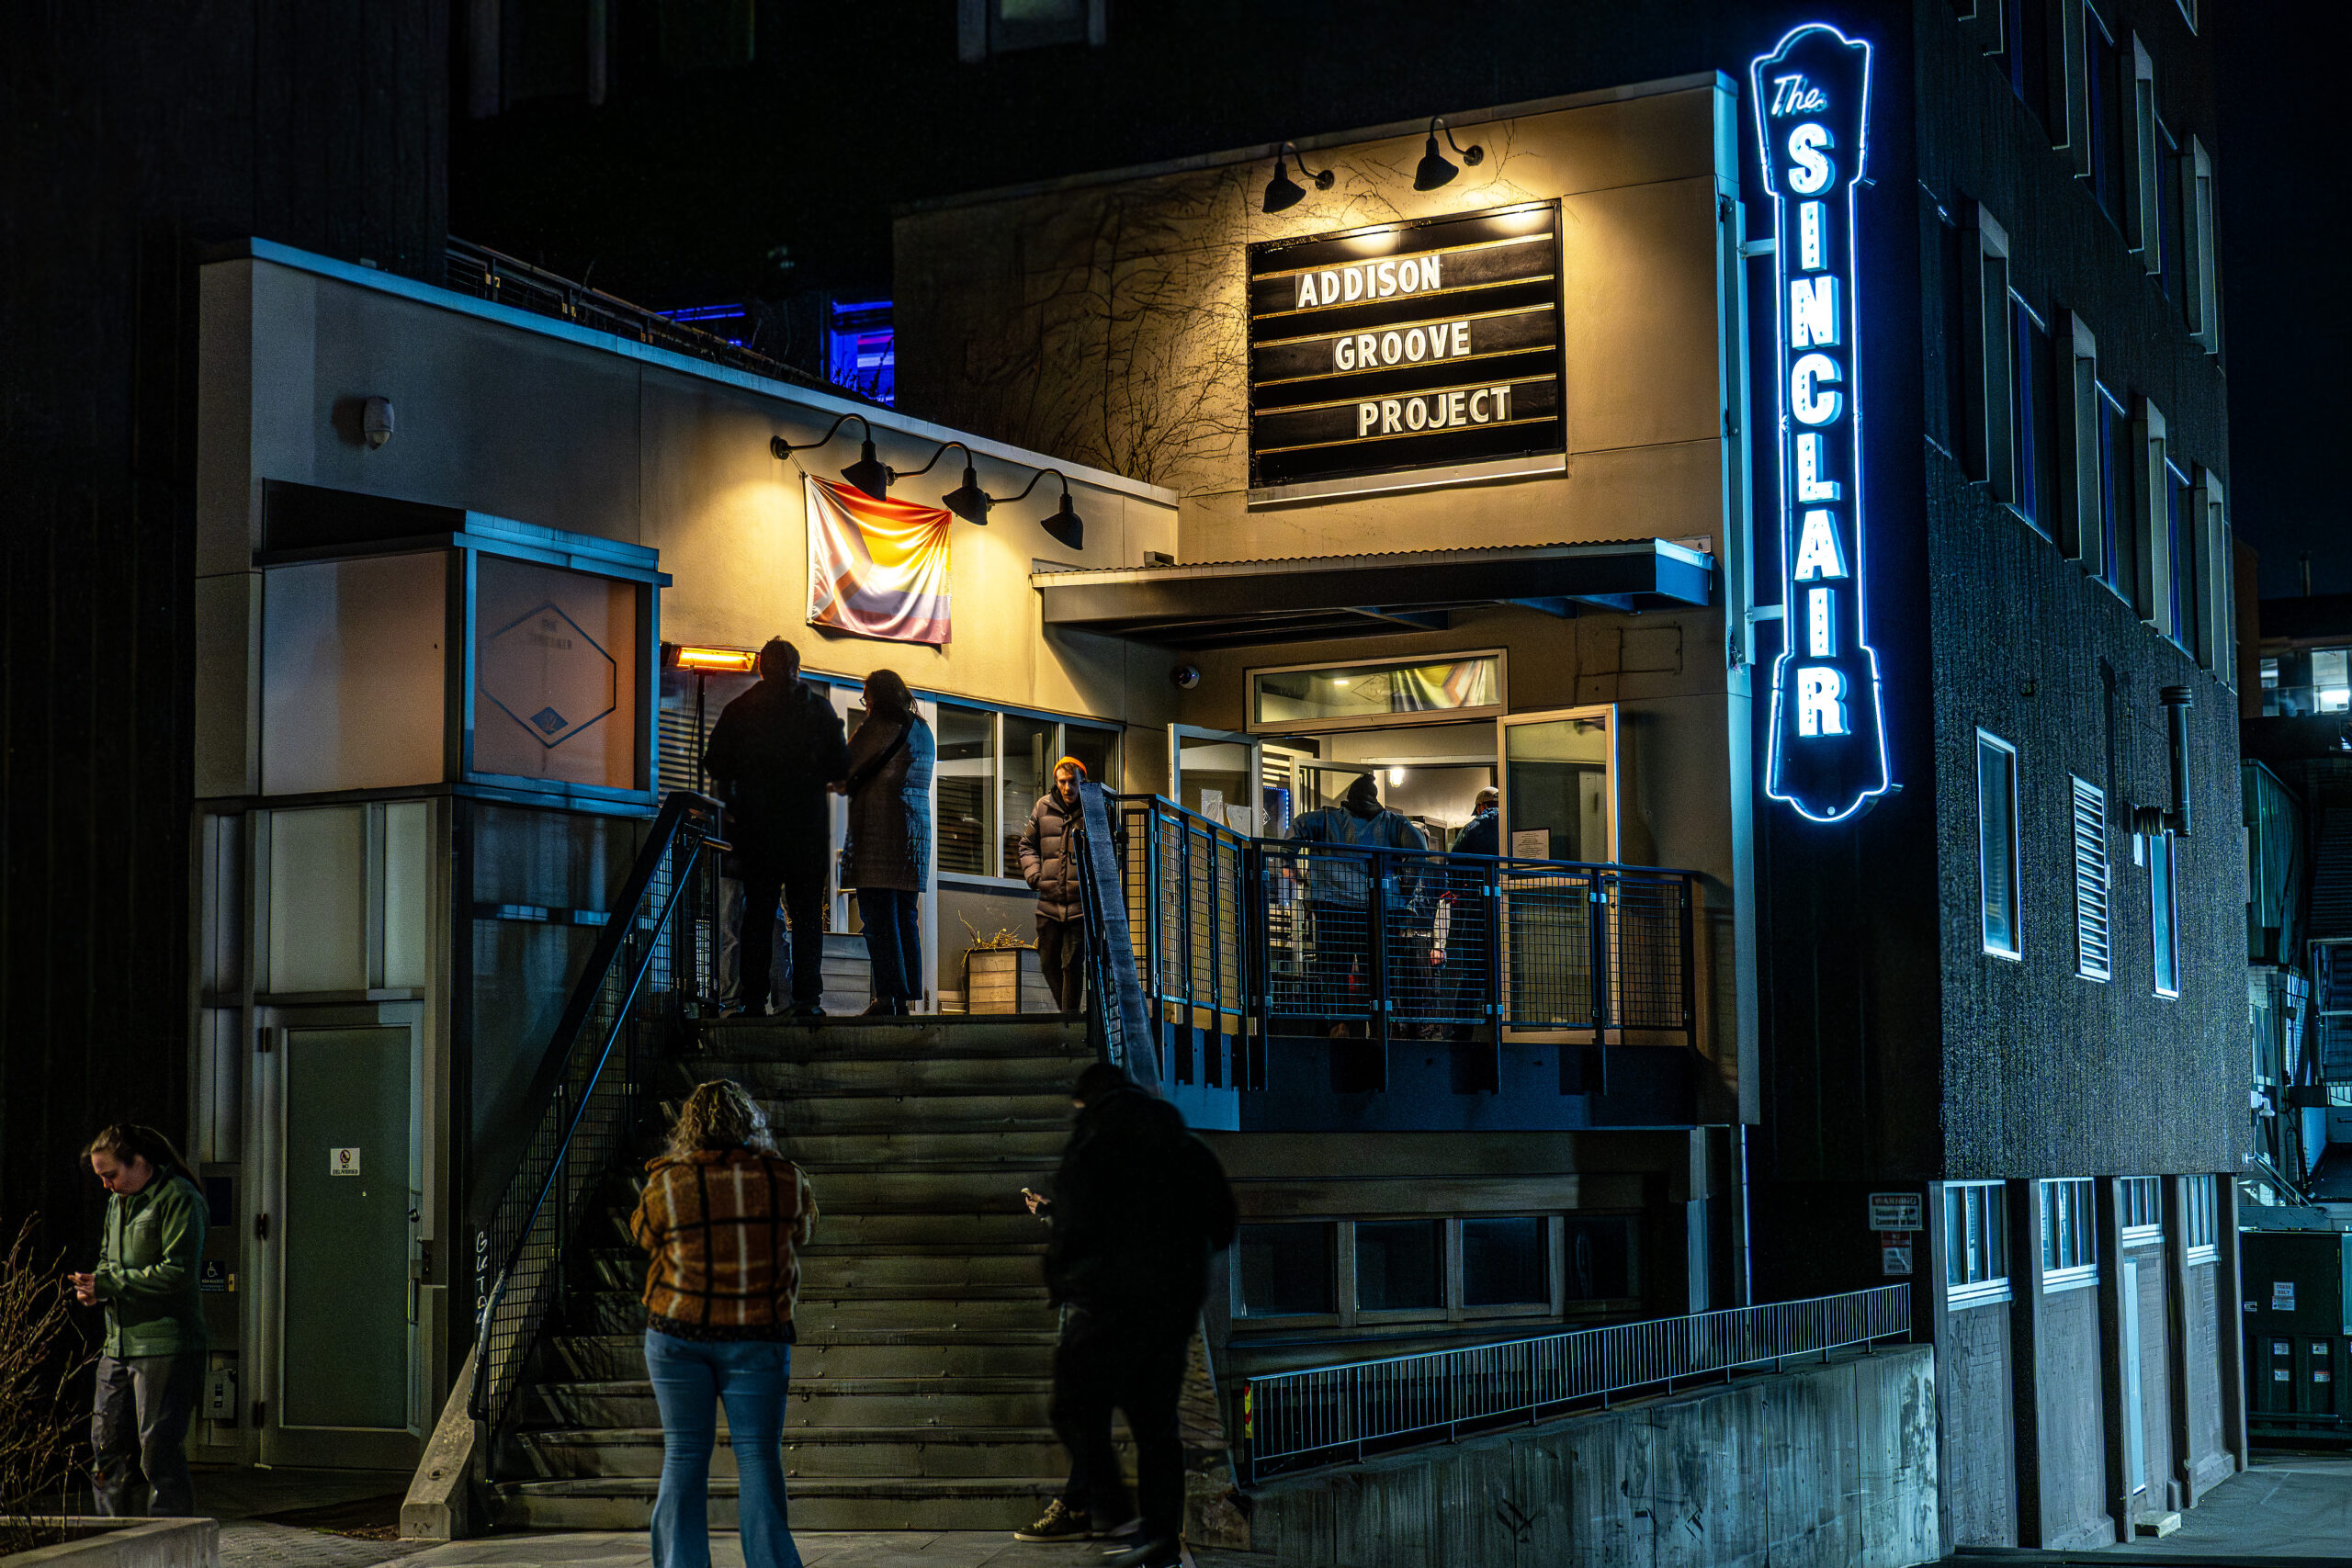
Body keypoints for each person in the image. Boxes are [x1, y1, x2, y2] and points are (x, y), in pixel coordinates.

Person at [1014, 1061, 1237, 1566]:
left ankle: (1110, 1512)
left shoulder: (1090, 1148)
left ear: (1089, 1102)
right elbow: (1223, 1224)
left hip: (1108, 1310)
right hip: (1170, 1313)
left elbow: (1073, 1231)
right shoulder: (1184, 1145)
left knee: (1074, 1406)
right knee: (1158, 1429)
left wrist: (1065, 1283)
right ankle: (1160, 1541)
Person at [629, 1080, 817, 1568]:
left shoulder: (668, 1182)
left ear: (689, 1127)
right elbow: (803, 1229)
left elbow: (644, 1233)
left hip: (677, 1331)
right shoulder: (784, 1178)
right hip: (757, 1331)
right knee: (758, 1457)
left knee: (685, 1454)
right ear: (749, 1122)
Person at [701, 637, 851, 1018]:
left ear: (761, 669)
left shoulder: (740, 709)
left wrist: (738, 796)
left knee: (758, 915)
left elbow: (715, 762)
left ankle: (753, 1000)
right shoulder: (818, 710)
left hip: (757, 832)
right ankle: (806, 999)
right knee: (806, 917)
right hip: (806, 832)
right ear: (796, 668)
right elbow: (839, 769)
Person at [69, 1124, 207, 1518]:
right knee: (105, 1445)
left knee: (158, 1449)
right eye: (101, 1177)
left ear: (140, 1162)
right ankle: (110, 1535)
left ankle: (169, 1534)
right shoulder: (118, 1203)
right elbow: (107, 1259)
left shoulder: (179, 1197)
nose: (106, 1184)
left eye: (111, 1174)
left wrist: (110, 1284)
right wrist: (94, 1287)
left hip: (164, 1343)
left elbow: (178, 1273)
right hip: (117, 1343)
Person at [1286, 773, 1429, 1038]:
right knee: (1379, 973)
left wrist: (1288, 864)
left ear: (1349, 798)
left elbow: (1296, 827)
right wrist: (1405, 889)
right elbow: (1419, 849)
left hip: (1333, 907)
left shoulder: (1326, 818)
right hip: (1380, 909)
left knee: (1333, 969)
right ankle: (1380, 1027)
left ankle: (1338, 1024)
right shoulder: (1393, 823)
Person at [837, 669, 933, 1016]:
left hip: (880, 835)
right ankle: (903, 999)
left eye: (866, 697)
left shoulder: (880, 725)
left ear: (876, 696)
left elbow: (843, 770)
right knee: (905, 918)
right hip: (914, 838)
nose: (866, 704)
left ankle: (887, 998)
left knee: (879, 920)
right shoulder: (922, 729)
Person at [1018, 756, 1112, 1013]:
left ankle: (1069, 1019)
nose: (1067, 787)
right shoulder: (1043, 807)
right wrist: (1035, 876)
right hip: (1050, 902)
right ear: (1056, 782)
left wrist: (1093, 883)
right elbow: (1026, 845)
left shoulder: (1095, 810)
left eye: (1072, 782)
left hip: (1081, 905)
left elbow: (1110, 851)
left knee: (1072, 964)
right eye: (1062, 782)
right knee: (1048, 962)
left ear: (1083, 781)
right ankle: (1068, 1016)